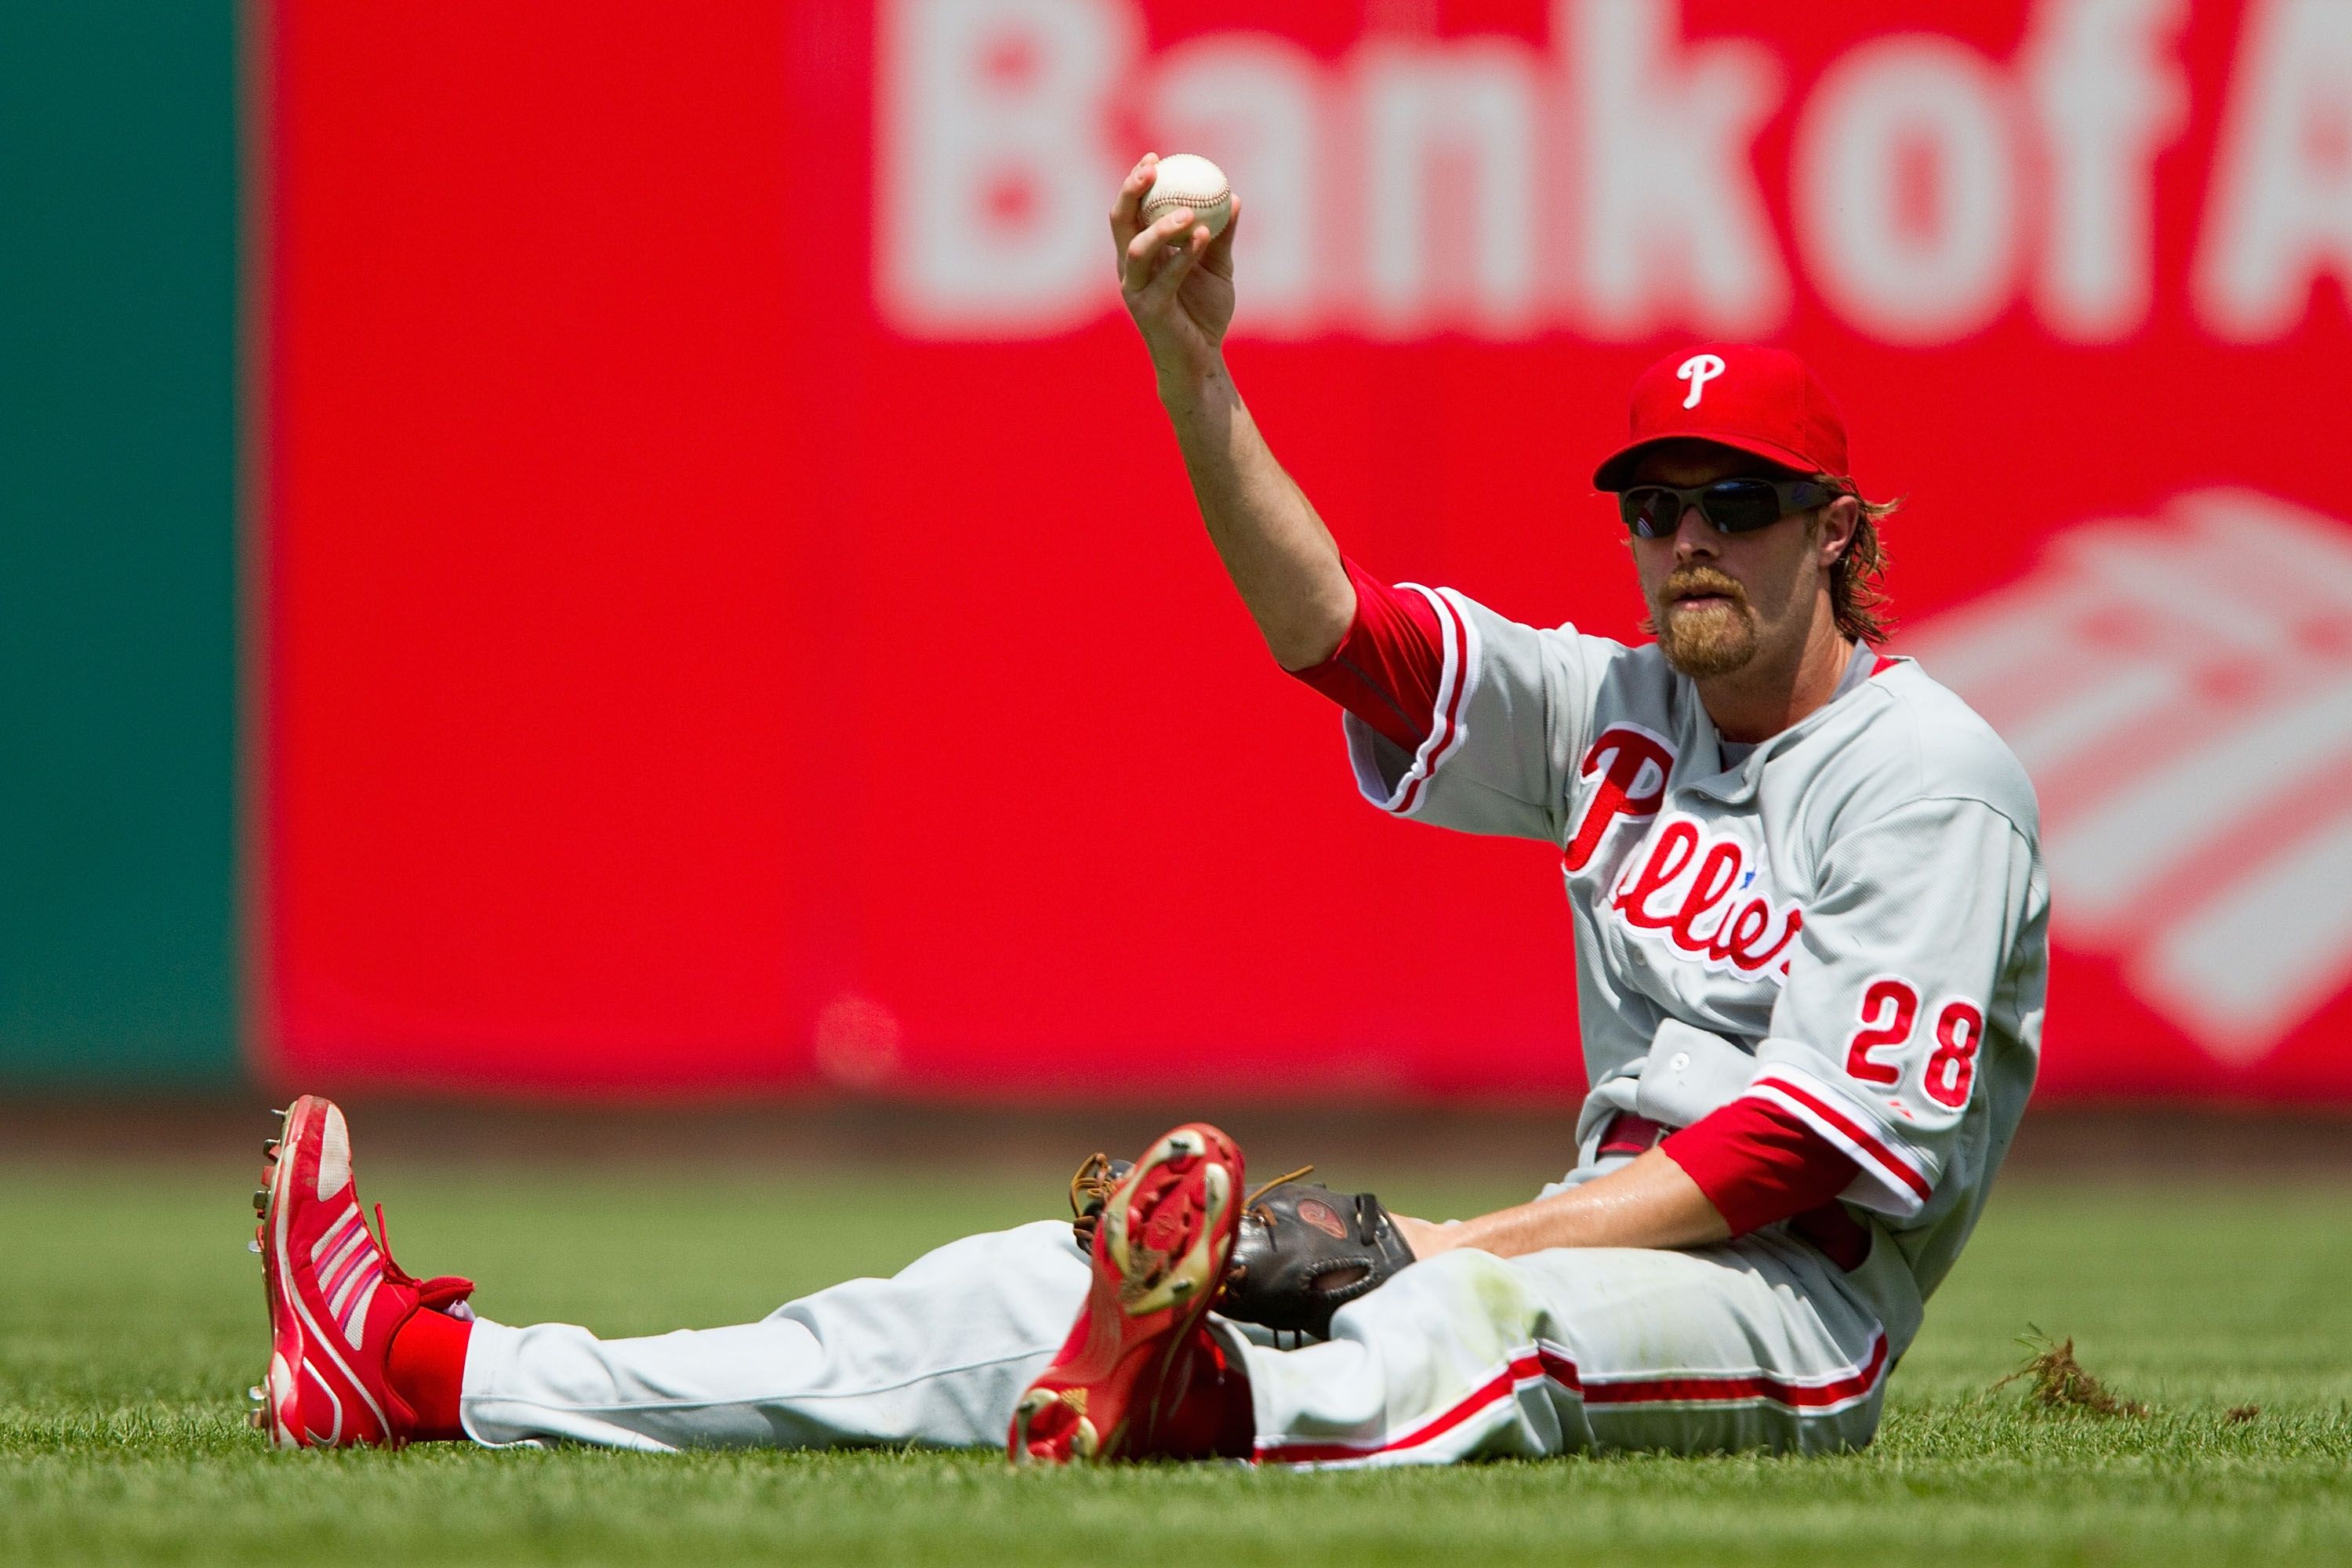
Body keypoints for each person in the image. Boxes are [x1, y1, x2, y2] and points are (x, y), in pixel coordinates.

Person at [247, 154, 2046, 1466]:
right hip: (1578, 1228)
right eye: (1656, 502)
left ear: (1838, 532)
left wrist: (1433, 1240)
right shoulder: (1620, 705)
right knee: (1019, 1280)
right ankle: (424, 1372)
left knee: (1469, 1326)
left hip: (1790, 1312)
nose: (1688, 537)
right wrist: (1190, 364)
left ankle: (1203, 1401)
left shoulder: (1928, 780)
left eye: (1737, 498)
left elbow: (1792, 1153)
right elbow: (1340, 636)